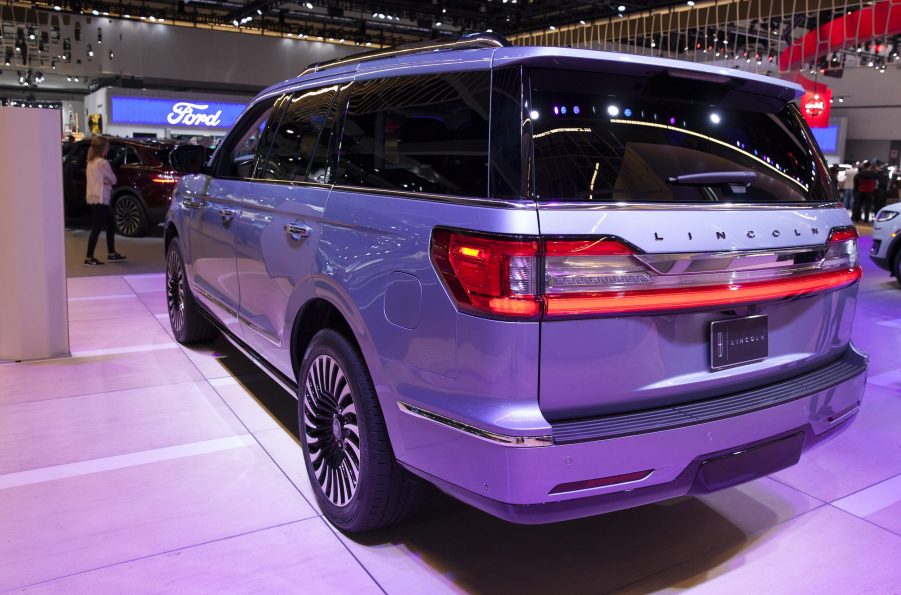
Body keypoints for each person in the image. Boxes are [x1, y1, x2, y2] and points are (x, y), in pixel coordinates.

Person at [84, 136, 127, 266]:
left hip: (93, 196)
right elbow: (113, 179)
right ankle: (89, 257)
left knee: (109, 224)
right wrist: (107, 181)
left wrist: (105, 181)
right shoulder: (102, 163)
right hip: (101, 198)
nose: (108, 149)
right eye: (107, 146)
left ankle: (111, 253)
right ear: (103, 148)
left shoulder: (90, 162)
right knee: (98, 227)